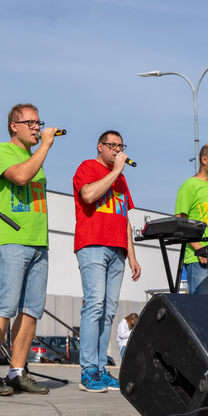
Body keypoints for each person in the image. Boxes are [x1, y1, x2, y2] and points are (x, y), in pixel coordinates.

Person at [0, 103, 59, 396]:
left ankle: (17, 372)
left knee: (31, 310)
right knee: (5, 306)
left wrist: (40, 150)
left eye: (39, 123)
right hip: (12, 241)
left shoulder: (35, 157)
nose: (37, 128)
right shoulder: (2, 151)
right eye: (31, 123)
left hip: (38, 242)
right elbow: (21, 177)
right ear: (14, 125)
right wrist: (45, 146)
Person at [72, 131, 141, 392]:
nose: (117, 150)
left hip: (117, 250)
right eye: (112, 146)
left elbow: (124, 219)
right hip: (93, 245)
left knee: (109, 310)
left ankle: (101, 369)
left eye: (120, 146)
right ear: (100, 146)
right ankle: (88, 370)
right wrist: (116, 171)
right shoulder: (88, 167)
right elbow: (89, 195)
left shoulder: (121, 178)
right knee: (94, 304)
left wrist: (132, 255)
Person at [174, 143, 208, 295]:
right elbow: (180, 222)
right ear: (204, 160)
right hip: (199, 260)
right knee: (202, 306)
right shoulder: (189, 185)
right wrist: (200, 249)